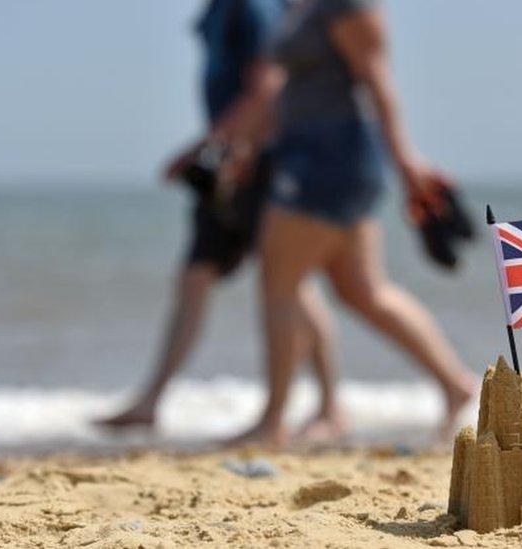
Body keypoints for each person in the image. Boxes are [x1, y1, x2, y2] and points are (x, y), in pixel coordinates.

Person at [214, 0, 479, 446]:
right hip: (311, 153)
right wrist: (248, 146)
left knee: (279, 284)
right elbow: (287, 88)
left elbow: (377, 78)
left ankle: (272, 421)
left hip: (331, 158)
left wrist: (405, 162)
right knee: (362, 290)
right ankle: (456, 384)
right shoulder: (299, 6)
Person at [97, 0, 344, 441]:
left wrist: (214, 148)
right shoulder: (217, 12)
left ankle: (327, 406)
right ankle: (151, 401)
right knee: (195, 277)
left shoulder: (253, 8)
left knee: (292, 283)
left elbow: (268, 87)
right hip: (229, 161)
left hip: (255, 162)